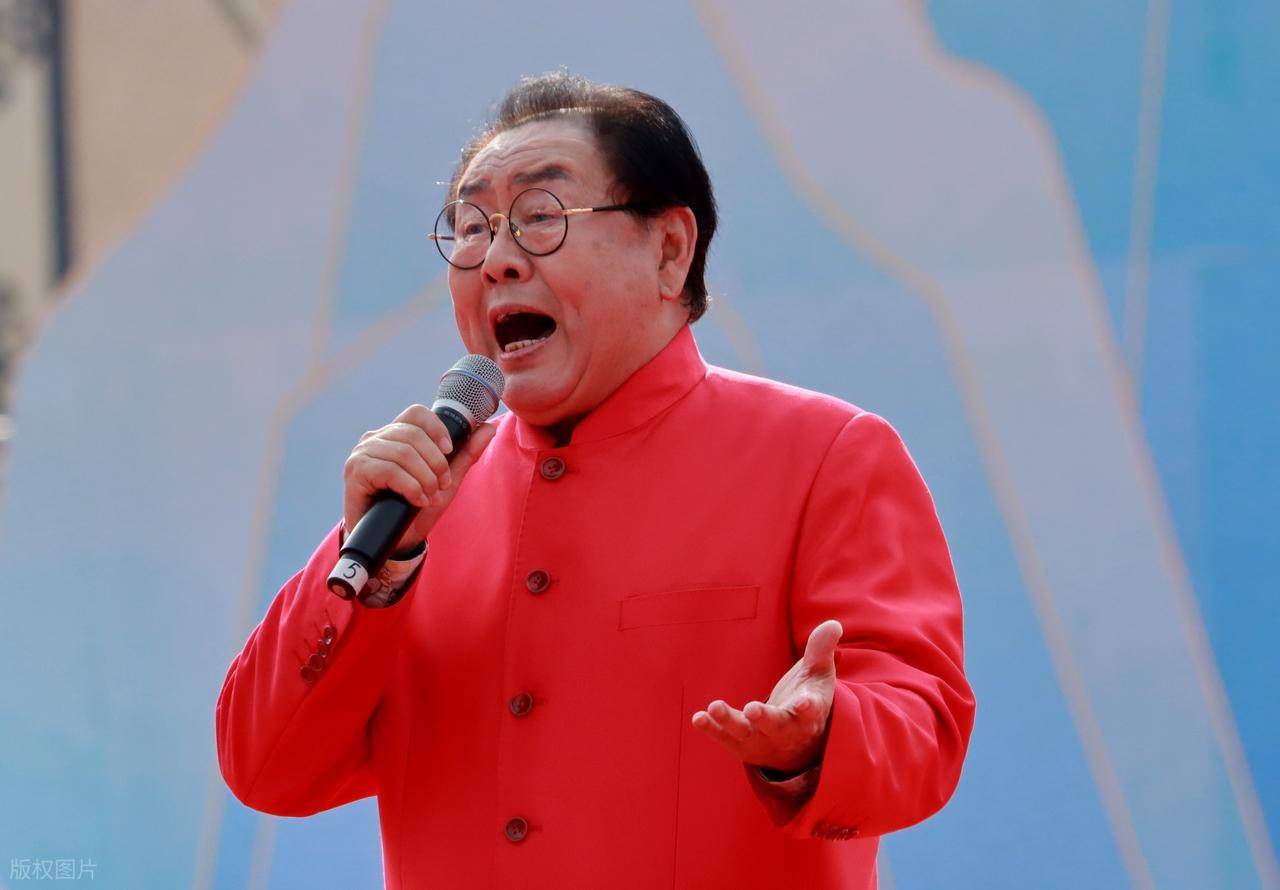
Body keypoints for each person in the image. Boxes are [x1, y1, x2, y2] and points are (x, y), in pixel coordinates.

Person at [215, 71, 975, 889]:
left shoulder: (826, 455)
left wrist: (821, 740)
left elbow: (922, 729)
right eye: (472, 228)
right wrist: (377, 569)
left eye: (540, 218)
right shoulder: (421, 508)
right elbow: (266, 768)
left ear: (669, 250)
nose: (497, 261)